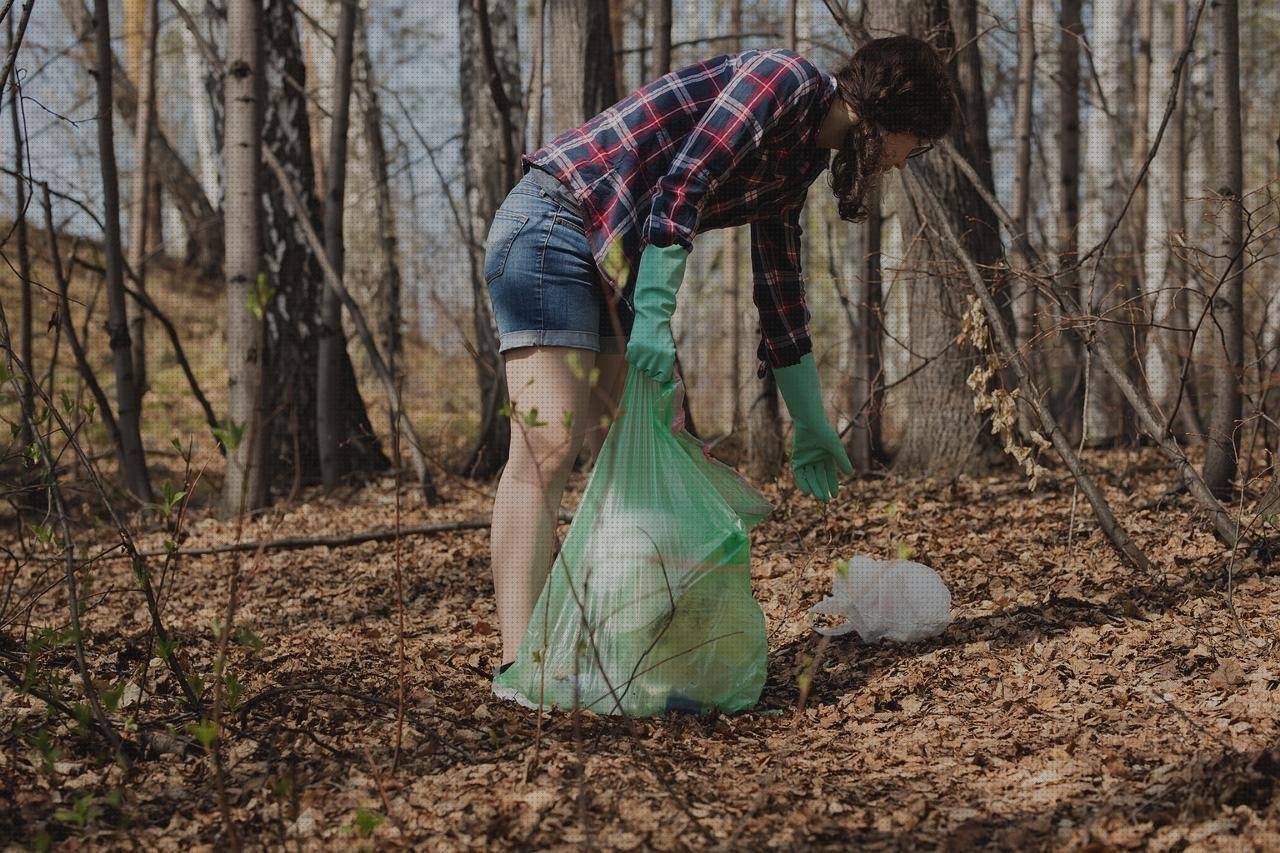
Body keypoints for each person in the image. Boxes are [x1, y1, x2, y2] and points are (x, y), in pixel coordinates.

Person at [484, 35, 958, 674]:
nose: (903, 162)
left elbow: (780, 291)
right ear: (893, 114)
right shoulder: (783, 78)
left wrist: (810, 421)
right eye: (916, 143)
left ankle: (615, 651)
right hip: (556, 221)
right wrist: (655, 315)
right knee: (547, 446)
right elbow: (685, 183)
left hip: (616, 261)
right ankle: (520, 664)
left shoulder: (800, 161)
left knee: (627, 448)